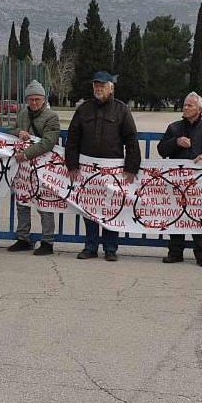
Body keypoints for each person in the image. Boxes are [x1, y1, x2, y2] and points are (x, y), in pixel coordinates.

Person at [65, 70, 141, 261]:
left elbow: (131, 139)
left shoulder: (122, 110)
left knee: (111, 208)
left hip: (113, 171)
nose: (98, 88)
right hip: (87, 170)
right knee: (89, 208)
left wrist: (131, 167)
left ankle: (110, 249)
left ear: (111, 87)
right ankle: (90, 247)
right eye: (96, 85)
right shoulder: (83, 109)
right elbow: (73, 138)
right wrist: (72, 164)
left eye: (102, 85)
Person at [156, 92, 202, 267]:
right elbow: (162, 149)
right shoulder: (174, 128)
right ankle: (175, 252)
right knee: (177, 216)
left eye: (189, 105)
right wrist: (176, 142)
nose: (185, 108)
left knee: (199, 216)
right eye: (185, 105)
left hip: (199, 184)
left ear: (199, 109)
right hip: (177, 182)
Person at [7, 80, 61, 256]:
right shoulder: (23, 113)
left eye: (38, 99)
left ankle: (48, 242)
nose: (34, 102)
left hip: (44, 167)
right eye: (31, 99)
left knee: (44, 204)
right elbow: (12, 130)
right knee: (23, 202)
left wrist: (26, 154)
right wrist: (18, 133)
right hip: (24, 169)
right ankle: (23, 238)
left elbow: (48, 142)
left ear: (44, 100)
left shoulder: (51, 117)